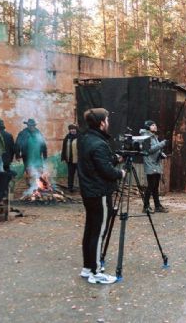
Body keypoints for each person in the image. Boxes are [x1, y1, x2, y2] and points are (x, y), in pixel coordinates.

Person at [78, 108, 125, 284]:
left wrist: (115, 159)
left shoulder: (85, 139)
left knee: (90, 229)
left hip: (89, 192)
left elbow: (97, 163)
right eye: (107, 119)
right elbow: (107, 171)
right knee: (98, 232)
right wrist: (120, 174)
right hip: (99, 193)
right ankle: (96, 272)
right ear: (101, 123)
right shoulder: (98, 143)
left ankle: (87, 267)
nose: (108, 122)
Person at [140, 120, 168, 213]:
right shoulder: (145, 136)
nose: (155, 126)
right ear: (147, 127)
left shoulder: (154, 136)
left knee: (155, 186)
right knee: (151, 186)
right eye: (152, 125)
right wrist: (162, 144)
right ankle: (146, 206)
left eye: (155, 124)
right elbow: (149, 150)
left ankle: (157, 206)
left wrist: (161, 153)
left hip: (156, 163)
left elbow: (156, 149)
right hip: (150, 164)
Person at [61, 124, 80, 192]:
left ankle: (82, 188)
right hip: (70, 160)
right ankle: (70, 188)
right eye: (71, 129)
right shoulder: (67, 137)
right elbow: (64, 148)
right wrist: (63, 157)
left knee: (81, 175)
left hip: (79, 160)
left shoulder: (80, 137)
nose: (72, 130)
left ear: (76, 129)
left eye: (73, 129)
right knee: (70, 175)